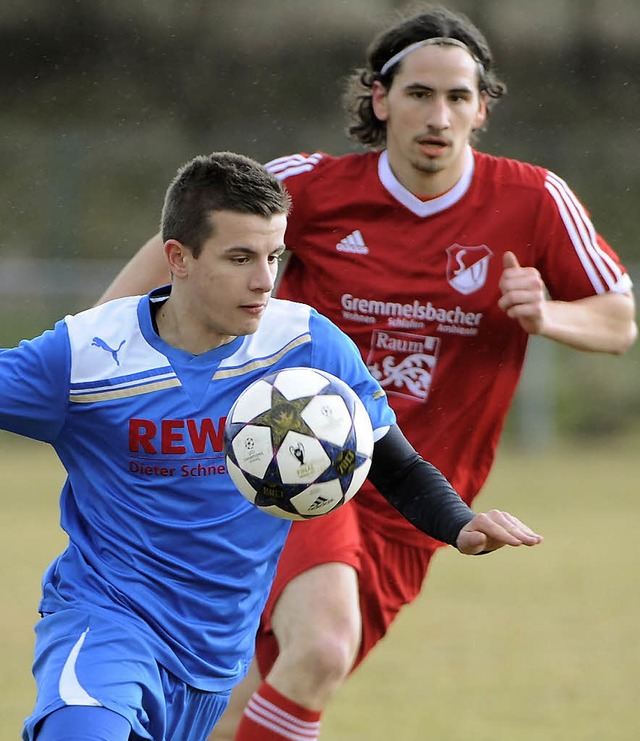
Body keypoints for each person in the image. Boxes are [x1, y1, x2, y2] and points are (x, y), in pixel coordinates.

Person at [97, 5, 637, 740]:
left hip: (417, 502)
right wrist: (95, 358)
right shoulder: (307, 187)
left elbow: (619, 319)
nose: (437, 114)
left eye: (457, 96)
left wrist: (548, 316)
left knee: (248, 693)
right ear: (380, 99)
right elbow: (168, 258)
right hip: (292, 460)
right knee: (319, 647)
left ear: (482, 108)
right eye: (418, 93)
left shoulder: (533, 200)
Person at [4, 150, 542, 741]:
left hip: (214, 657)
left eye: (273, 256)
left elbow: (399, 467)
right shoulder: (88, 354)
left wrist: (459, 524)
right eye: (239, 258)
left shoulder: (306, 346)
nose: (264, 280)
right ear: (178, 259)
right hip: (106, 621)